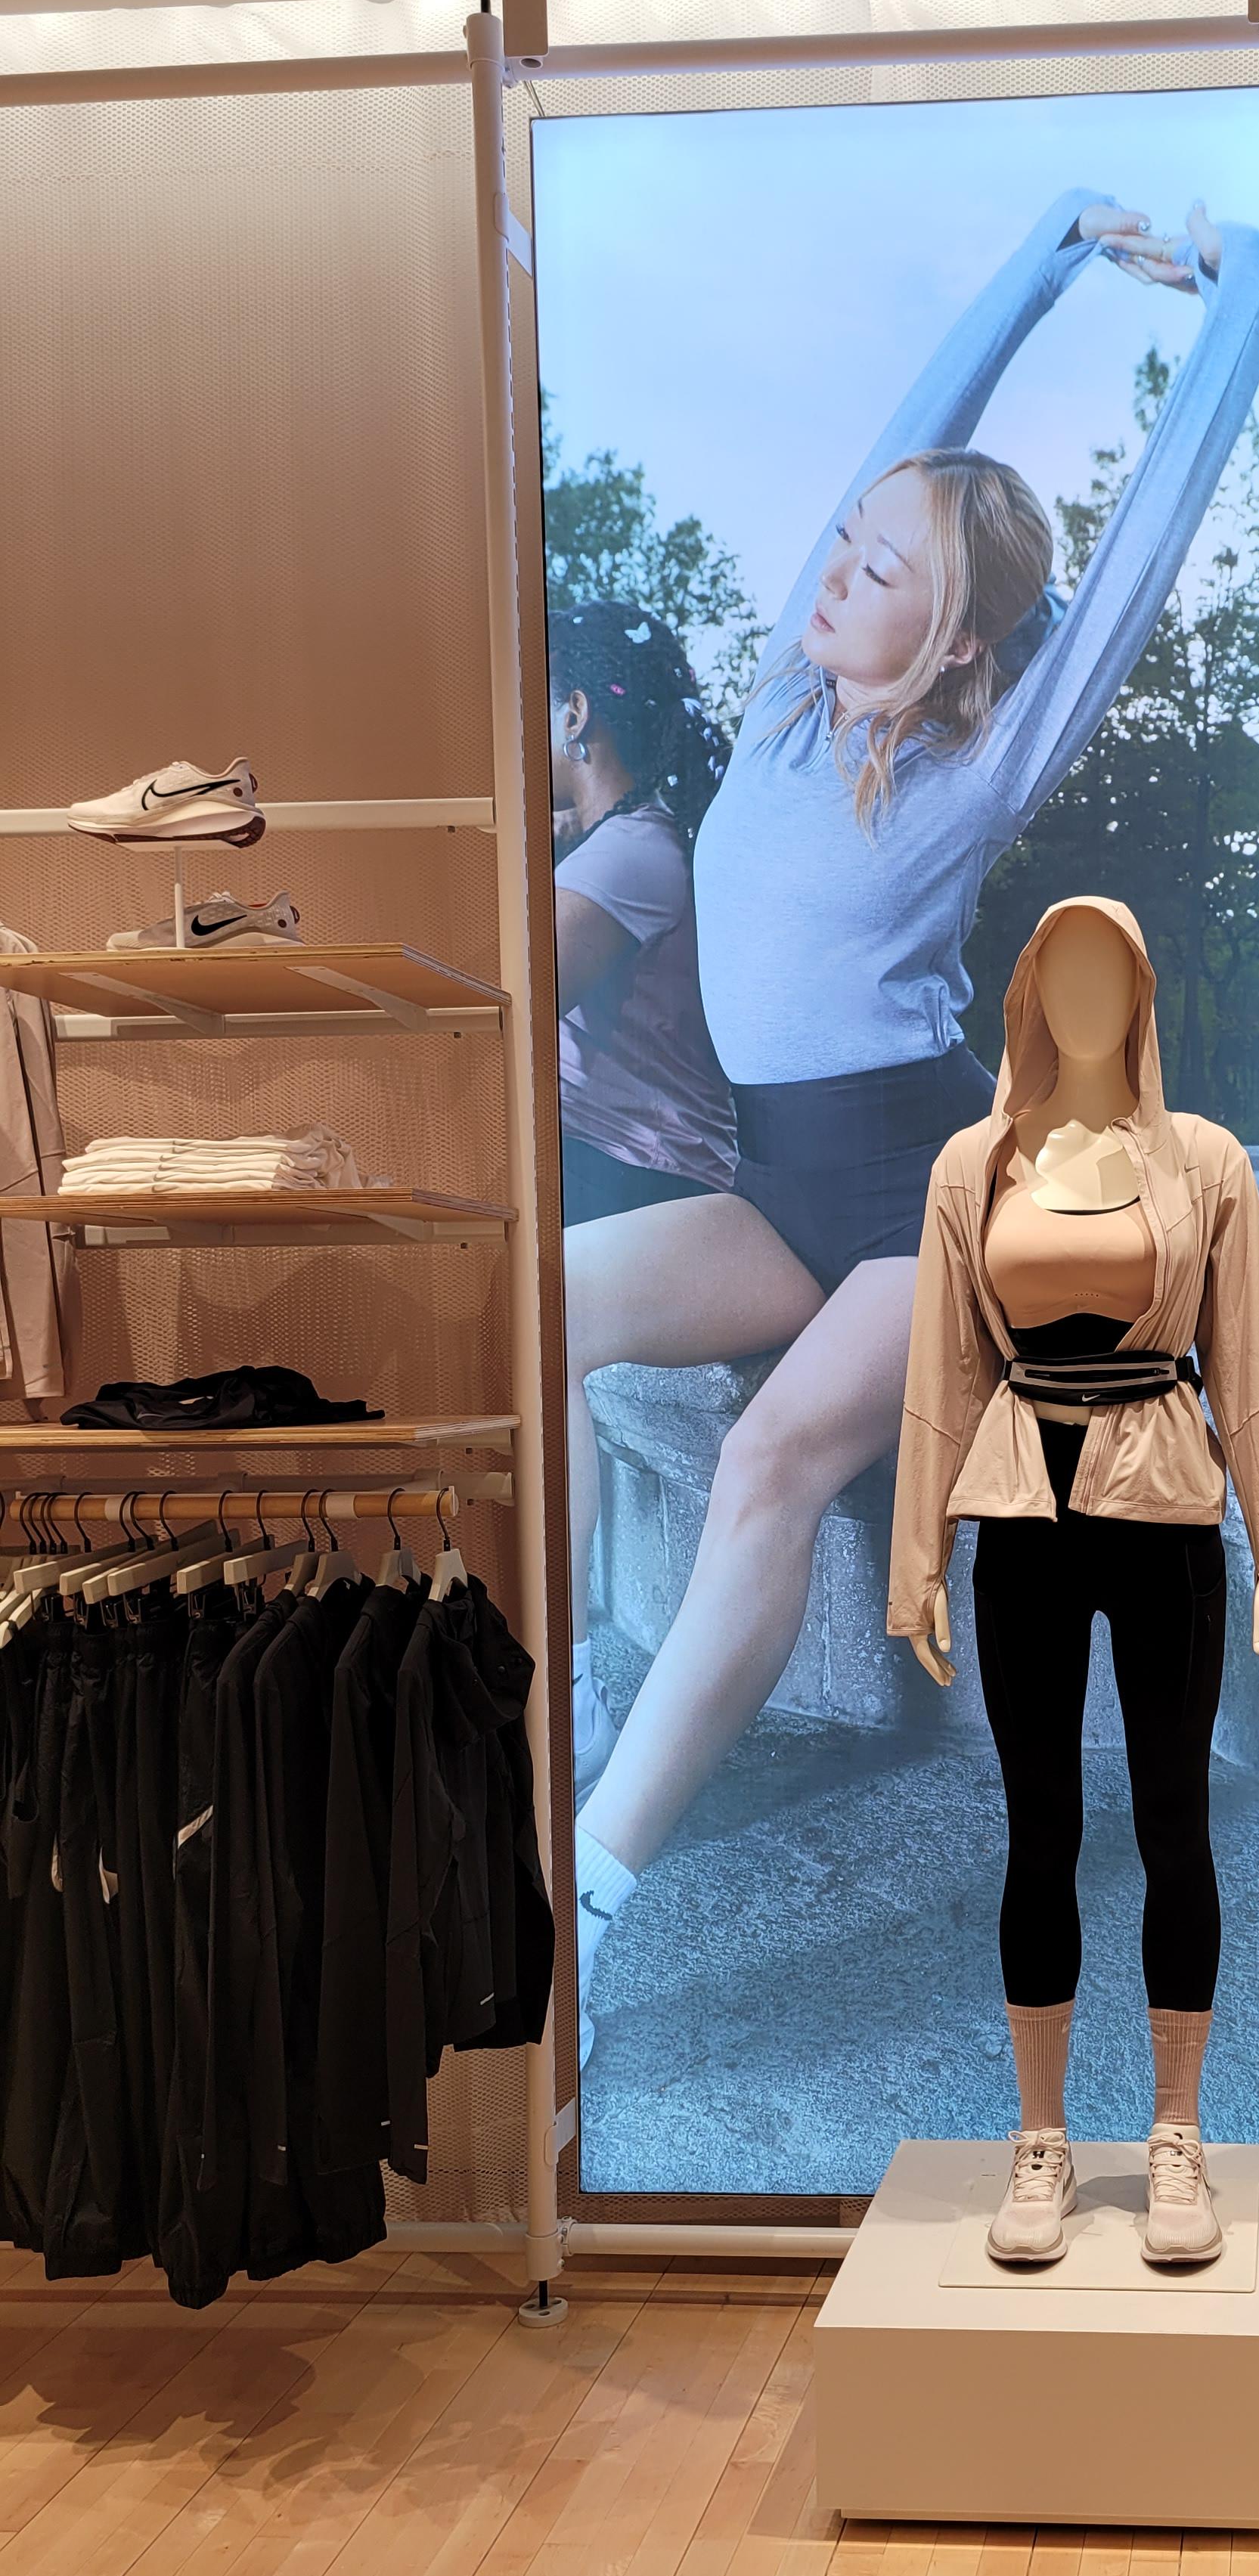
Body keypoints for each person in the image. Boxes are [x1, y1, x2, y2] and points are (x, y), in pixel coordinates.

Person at [569, 190, 1259, 2060]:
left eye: (882, 567)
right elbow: (911, 439)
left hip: (933, 1206)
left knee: (767, 1469)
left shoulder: (981, 760)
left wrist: (1248, 287)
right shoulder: (781, 714)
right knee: (536, 1303)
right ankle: (540, 1701)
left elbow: (1141, 552)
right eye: (844, 543)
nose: (837, 570)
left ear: (958, 638)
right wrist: (1048, 253)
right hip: (781, 1189)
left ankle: (591, 1898)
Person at [546, 603, 744, 1790]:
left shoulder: (633, 854)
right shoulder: (613, 843)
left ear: (575, 714)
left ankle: (570, 1683)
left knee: (531, 1312)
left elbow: (509, 1004)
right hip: (610, 1166)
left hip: (654, 1177)